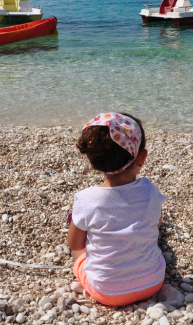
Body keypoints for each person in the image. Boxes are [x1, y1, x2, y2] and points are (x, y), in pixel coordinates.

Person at [68, 112, 166, 306]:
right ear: (142, 158)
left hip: (106, 292)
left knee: (80, 253)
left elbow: (74, 244)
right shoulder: (149, 190)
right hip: (153, 283)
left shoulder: (87, 199)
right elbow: (157, 223)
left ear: (91, 159)